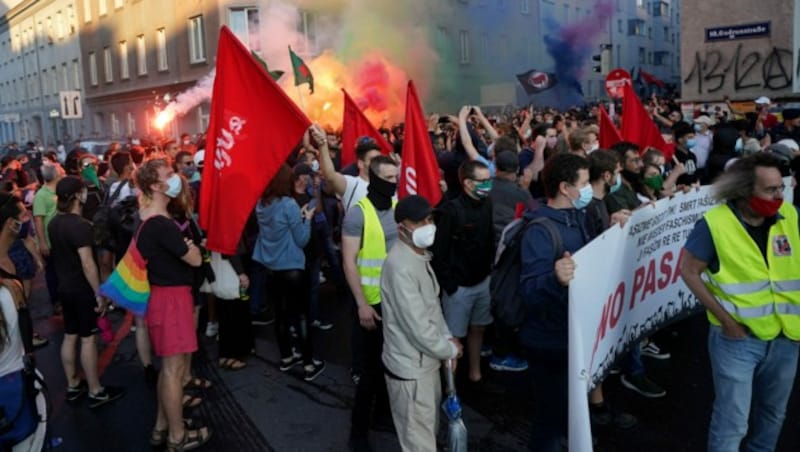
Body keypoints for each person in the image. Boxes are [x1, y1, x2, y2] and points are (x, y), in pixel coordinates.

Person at [681, 153, 800, 452]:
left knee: (774, 413)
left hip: (787, 337)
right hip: (738, 340)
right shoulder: (714, 224)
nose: (780, 194)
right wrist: (727, 322)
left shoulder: (791, 215)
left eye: (780, 187)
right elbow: (689, 271)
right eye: (771, 189)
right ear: (744, 191)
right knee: (732, 422)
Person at [134, 159, 210, 450]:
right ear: (155, 185)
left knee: (170, 369)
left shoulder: (148, 219)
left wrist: (189, 249)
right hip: (170, 299)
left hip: (162, 297)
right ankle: (178, 437)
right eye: (169, 175)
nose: (176, 178)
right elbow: (192, 258)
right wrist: (191, 250)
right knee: (173, 371)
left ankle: (161, 427)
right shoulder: (161, 224)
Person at [519, 153, 592, 451]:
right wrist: (555, 279)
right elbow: (530, 292)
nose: (588, 189)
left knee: (567, 413)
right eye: (584, 183)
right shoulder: (539, 231)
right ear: (565, 187)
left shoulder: (577, 218)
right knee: (549, 420)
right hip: (549, 341)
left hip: (570, 335)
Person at [380, 195, 462, 452]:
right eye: (419, 222)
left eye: (429, 219)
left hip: (424, 363)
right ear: (401, 227)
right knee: (419, 443)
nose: (427, 226)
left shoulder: (419, 256)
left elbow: (431, 309)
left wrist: (447, 339)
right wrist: (450, 349)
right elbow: (417, 326)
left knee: (426, 431)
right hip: (411, 370)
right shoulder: (400, 266)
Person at [48, 176, 125, 408]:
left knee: (70, 336)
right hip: (81, 289)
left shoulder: (54, 223)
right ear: (78, 195)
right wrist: (98, 293)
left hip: (64, 287)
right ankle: (95, 390)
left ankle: (73, 385)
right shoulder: (81, 226)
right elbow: (88, 263)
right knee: (88, 338)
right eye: (83, 191)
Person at [341, 154, 399, 452]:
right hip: (370, 305)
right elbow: (349, 262)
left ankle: (383, 416)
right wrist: (362, 304)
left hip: (393, 302)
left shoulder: (395, 207)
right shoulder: (357, 213)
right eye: (388, 178)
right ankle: (358, 434)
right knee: (369, 372)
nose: (394, 183)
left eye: (395, 177)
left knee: (390, 365)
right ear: (374, 179)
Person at [252, 164, 324, 381]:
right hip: (292, 267)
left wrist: (299, 217)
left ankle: (286, 357)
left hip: (272, 268)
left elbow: (277, 228)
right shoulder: (289, 204)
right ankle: (309, 364)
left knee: (281, 315)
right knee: (301, 315)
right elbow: (301, 239)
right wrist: (307, 218)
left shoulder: (261, 205)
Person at [431, 160, 495, 385]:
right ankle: (450, 389)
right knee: (453, 339)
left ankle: (475, 373)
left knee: (478, 328)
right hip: (459, 288)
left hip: (482, 282)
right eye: (483, 180)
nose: (488, 184)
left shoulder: (487, 203)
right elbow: (438, 253)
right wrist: (451, 286)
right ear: (468, 183)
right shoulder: (451, 211)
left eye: (490, 179)